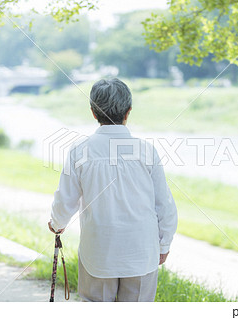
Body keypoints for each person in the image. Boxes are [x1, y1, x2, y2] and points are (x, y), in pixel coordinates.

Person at [48, 78, 177, 302]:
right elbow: (164, 204)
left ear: (93, 113)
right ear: (128, 112)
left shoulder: (80, 151)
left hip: (98, 252)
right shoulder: (146, 151)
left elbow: (65, 200)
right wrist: (164, 243)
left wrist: (56, 224)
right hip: (141, 251)